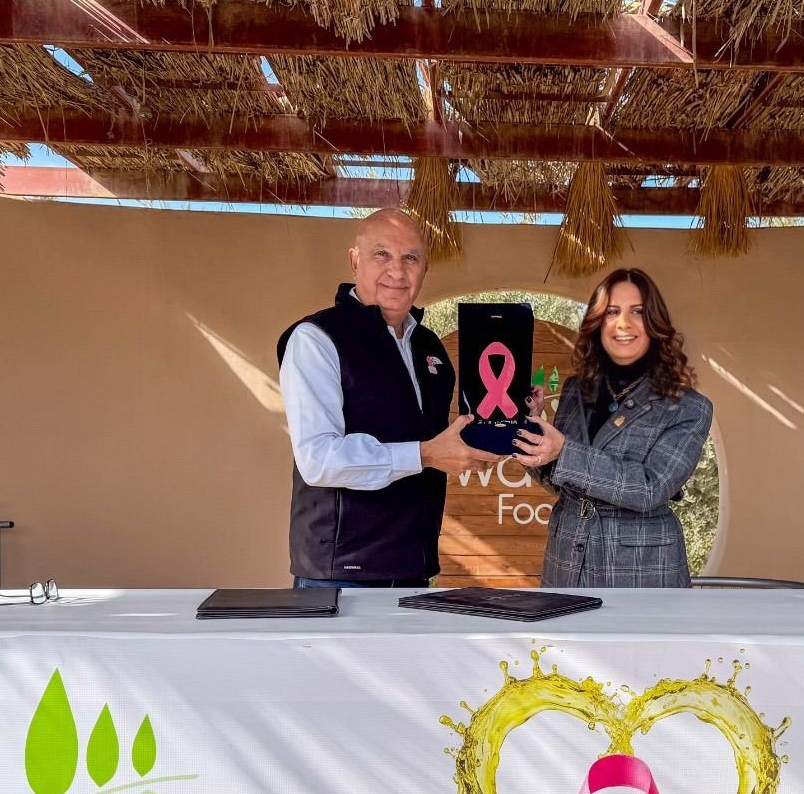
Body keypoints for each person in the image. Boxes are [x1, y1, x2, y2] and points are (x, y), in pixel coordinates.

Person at [277, 209, 499, 587]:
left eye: (410, 258)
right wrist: (424, 454)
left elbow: (439, 441)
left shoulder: (429, 347)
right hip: (341, 573)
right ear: (355, 261)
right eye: (382, 255)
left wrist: (507, 419)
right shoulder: (317, 338)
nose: (397, 271)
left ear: (425, 269)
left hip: (414, 567)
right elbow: (318, 458)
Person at [512, 268, 713, 587]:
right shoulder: (576, 390)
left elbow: (650, 489)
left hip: (641, 573)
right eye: (612, 312)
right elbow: (564, 483)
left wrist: (563, 450)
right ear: (597, 324)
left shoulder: (688, 407)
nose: (623, 323)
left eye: (638, 312)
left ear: (655, 324)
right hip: (565, 566)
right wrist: (531, 428)